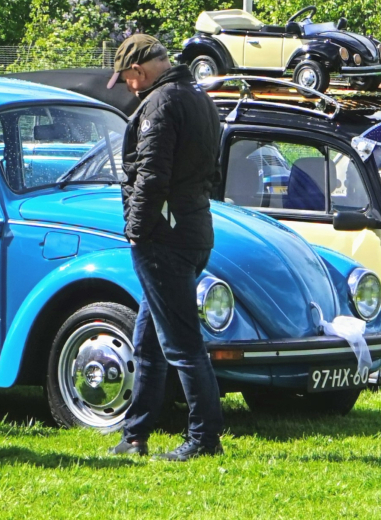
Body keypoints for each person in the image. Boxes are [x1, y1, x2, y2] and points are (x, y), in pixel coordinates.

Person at [108, 33, 225, 461]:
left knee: (180, 344)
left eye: (126, 79)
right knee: (149, 341)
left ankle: (204, 439)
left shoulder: (159, 104)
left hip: (165, 236)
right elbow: (211, 170)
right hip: (194, 227)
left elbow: (152, 175)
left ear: (138, 71)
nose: (128, 87)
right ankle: (135, 434)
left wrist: (136, 230)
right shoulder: (200, 98)